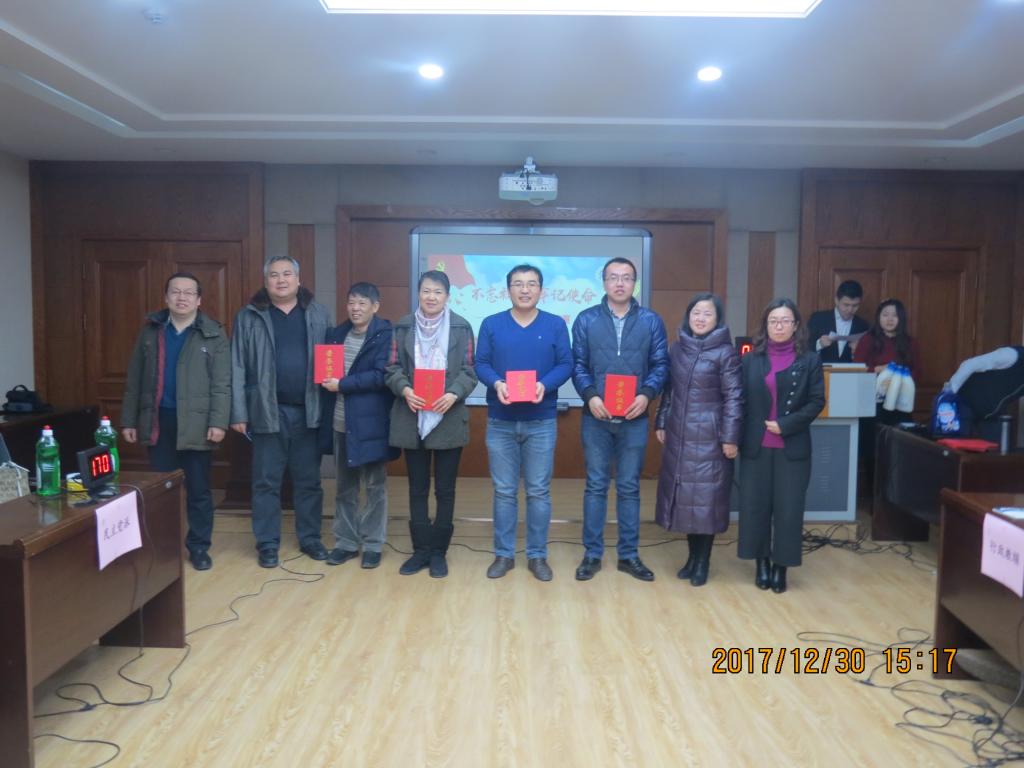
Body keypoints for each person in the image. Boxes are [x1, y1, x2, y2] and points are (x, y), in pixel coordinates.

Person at [121, 272, 231, 571]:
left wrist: (219, 422)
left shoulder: (213, 333)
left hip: (198, 423)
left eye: (188, 292)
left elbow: (222, 383)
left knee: (199, 489)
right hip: (159, 421)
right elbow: (135, 379)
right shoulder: (150, 331)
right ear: (166, 297)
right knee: (162, 489)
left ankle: (199, 547)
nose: (182, 297)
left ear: (199, 299)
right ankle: (164, 547)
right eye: (175, 292)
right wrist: (129, 420)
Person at [571, 257, 669, 582]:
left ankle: (628, 555)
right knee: (596, 485)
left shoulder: (651, 321)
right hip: (595, 416)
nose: (620, 283)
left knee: (628, 487)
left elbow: (660, 365)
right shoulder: (586, 319)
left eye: (626, 278)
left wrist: (647, 395)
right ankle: (592, 555)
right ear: (604, 282)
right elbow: (578, 364)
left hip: (634, 417)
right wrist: (590, 395)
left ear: (634, 284)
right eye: (613, 277)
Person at [230, 257, 331, 568]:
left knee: (309, 481)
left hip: (308, 411)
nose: (281, 280)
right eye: (274, 275)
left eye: (287, 274)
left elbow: (330, 361)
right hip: (266, 411)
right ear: (266, 282)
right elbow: (236, 365)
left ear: (298, 279)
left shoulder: (317, 312)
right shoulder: (249, 316)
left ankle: (310, 538)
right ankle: (267, 543)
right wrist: (238, 412)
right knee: (265, 482)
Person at [474, 264, 573, 582]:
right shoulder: (491, 324)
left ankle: (537, 555)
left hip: (541, 420)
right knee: (504, 492)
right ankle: (504, 554)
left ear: (541, 290)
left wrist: (545, 384)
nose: (525, 289)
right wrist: (497, 383)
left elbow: (566, 364)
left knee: (538, 492)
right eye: (518, 284)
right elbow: (481, 363)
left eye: (531, 284)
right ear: (508, 290)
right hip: (500, 420)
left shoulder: (555, 324)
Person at [385, 270, 477, 579]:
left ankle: (439, 552)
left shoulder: (462, 327)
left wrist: (453, 393)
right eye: (426, 291)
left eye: (438, 292)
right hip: (412, 415)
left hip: (448, 415)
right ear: (419, 293)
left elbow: (470, 370)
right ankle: (420, 550)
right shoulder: (403, 326)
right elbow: (391, 368)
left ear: (447, 296)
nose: (431, 297)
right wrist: (405, 389)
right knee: (417, 488)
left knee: (445, 489)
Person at [654, 293, 743, 587]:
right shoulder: (678, 348)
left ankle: (703, 561)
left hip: (711, 439)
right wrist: (661, 420)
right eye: (696, 313)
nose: (701, 318)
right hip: (680, 436)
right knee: (687, 501)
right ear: (688, 316)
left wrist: (730, 438)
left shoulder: (726, 353)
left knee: (707, 502)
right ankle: (692, 558)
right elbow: (669, 390)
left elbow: (734, 398)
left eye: (707, 314)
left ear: (717, 319)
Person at [737, 298, 825, 594]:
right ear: (765, 325)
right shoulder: (750, 360)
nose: (779, 326)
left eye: (785, 321)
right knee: (755, 508)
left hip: (792, 448)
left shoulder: (809, 360)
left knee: (789, 510)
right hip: (755, 447)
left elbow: (817, 401)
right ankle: (761, 563)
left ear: (796, 325)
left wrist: (785, 425)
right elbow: (739, 401)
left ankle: (781, 567)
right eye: (773, 321)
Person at [319, 282, 399, 570]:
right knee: (345, 487)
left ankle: (374, 544)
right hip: (341, 422)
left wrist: (343, 384)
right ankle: (346, 543)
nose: (355, 308)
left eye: (362, 303)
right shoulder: (335, 335)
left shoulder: (385, 336)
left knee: (375, 487)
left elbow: (381, 376)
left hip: (372, 424)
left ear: (375, 306)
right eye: (351, 302)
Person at [853, 298, 921, 425]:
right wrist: (877, 369)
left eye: (894, 315)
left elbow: (917, 371)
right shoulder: (867, 339)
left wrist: (901, 377)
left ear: (901, 318)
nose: (889, 319)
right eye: (885, 315)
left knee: (899, 433)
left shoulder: (910, 343)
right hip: (871, 401)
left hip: (900, 400)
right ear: (878, 317)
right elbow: (857, 369)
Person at [806, 280, 869, 363]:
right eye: (846, 305)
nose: (850, 310)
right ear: (836, 300)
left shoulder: (863, 325)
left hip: (850, 370)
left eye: (855, 305)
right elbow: (804, 349)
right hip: (821, 369)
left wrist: (857, 351)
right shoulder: (818, 319)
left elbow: (868, 358)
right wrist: (819, 344)